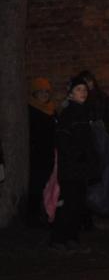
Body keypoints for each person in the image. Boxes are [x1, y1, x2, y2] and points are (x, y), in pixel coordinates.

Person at [51, 77, 100, 252]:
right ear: (70, 93)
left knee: (78, 204)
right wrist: (77, 156)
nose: (83, 92)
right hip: (71, 168)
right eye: (79, 89)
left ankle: (72, 237)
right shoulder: (68, 114)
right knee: (69, 203)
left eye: (84, 89)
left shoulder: (85, 113)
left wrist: (91, 162)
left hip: (81, 168)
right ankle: (59, 238)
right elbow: (64, 141)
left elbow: (89, 142)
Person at [28, 77, 57, 227]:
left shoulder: (51, 110)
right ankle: (34, 217)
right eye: (41, 92)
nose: (44, 95)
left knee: (49, 187)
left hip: (50, 153)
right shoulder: (31, 110)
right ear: (34, 93)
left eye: (47, 92)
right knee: (37, 186)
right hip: (37, 154)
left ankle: (47, 214)